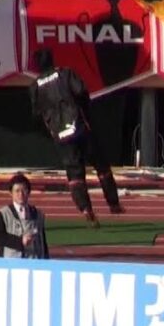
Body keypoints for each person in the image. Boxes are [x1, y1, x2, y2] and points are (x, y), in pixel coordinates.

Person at [29, 47, 125, 229]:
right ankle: (113, 204)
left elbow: (35, 114)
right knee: (101, 166)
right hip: (80, 128)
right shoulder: (65, 73)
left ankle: (85, 209)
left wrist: (51, 124)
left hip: (60, 135)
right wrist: (85, 112)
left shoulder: (34, 86)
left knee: (74, 174)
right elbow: (81, 91)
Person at [0, 173, 49, 259]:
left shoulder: (39, 214)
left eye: (24, 190)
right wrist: (20, 241)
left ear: (29, 192)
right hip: (10, 264)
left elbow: (43, 242)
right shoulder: (2, 213)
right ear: (10, 193)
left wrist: (46, 261)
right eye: (17, 191)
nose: (21, 194)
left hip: (34, 264)